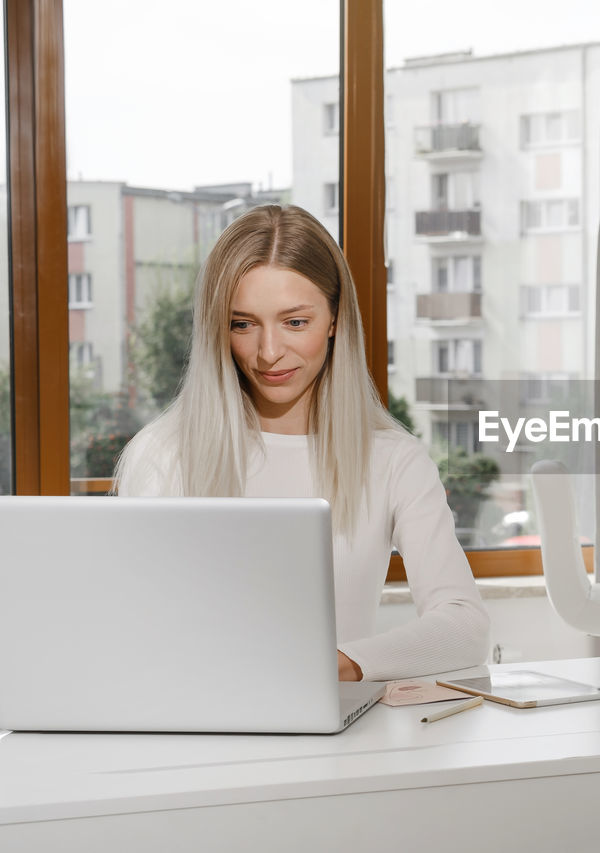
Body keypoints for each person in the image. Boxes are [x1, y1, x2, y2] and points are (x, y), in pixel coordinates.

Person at [115, 204, 489, 682]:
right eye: (242, 324)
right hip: (196, 738)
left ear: (335, 319)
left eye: (295, 322)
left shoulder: (393, 459)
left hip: (339, 741)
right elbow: (137, 630)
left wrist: (336, 666)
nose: (269, 352)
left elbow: (465, 625)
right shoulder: (163, 454)